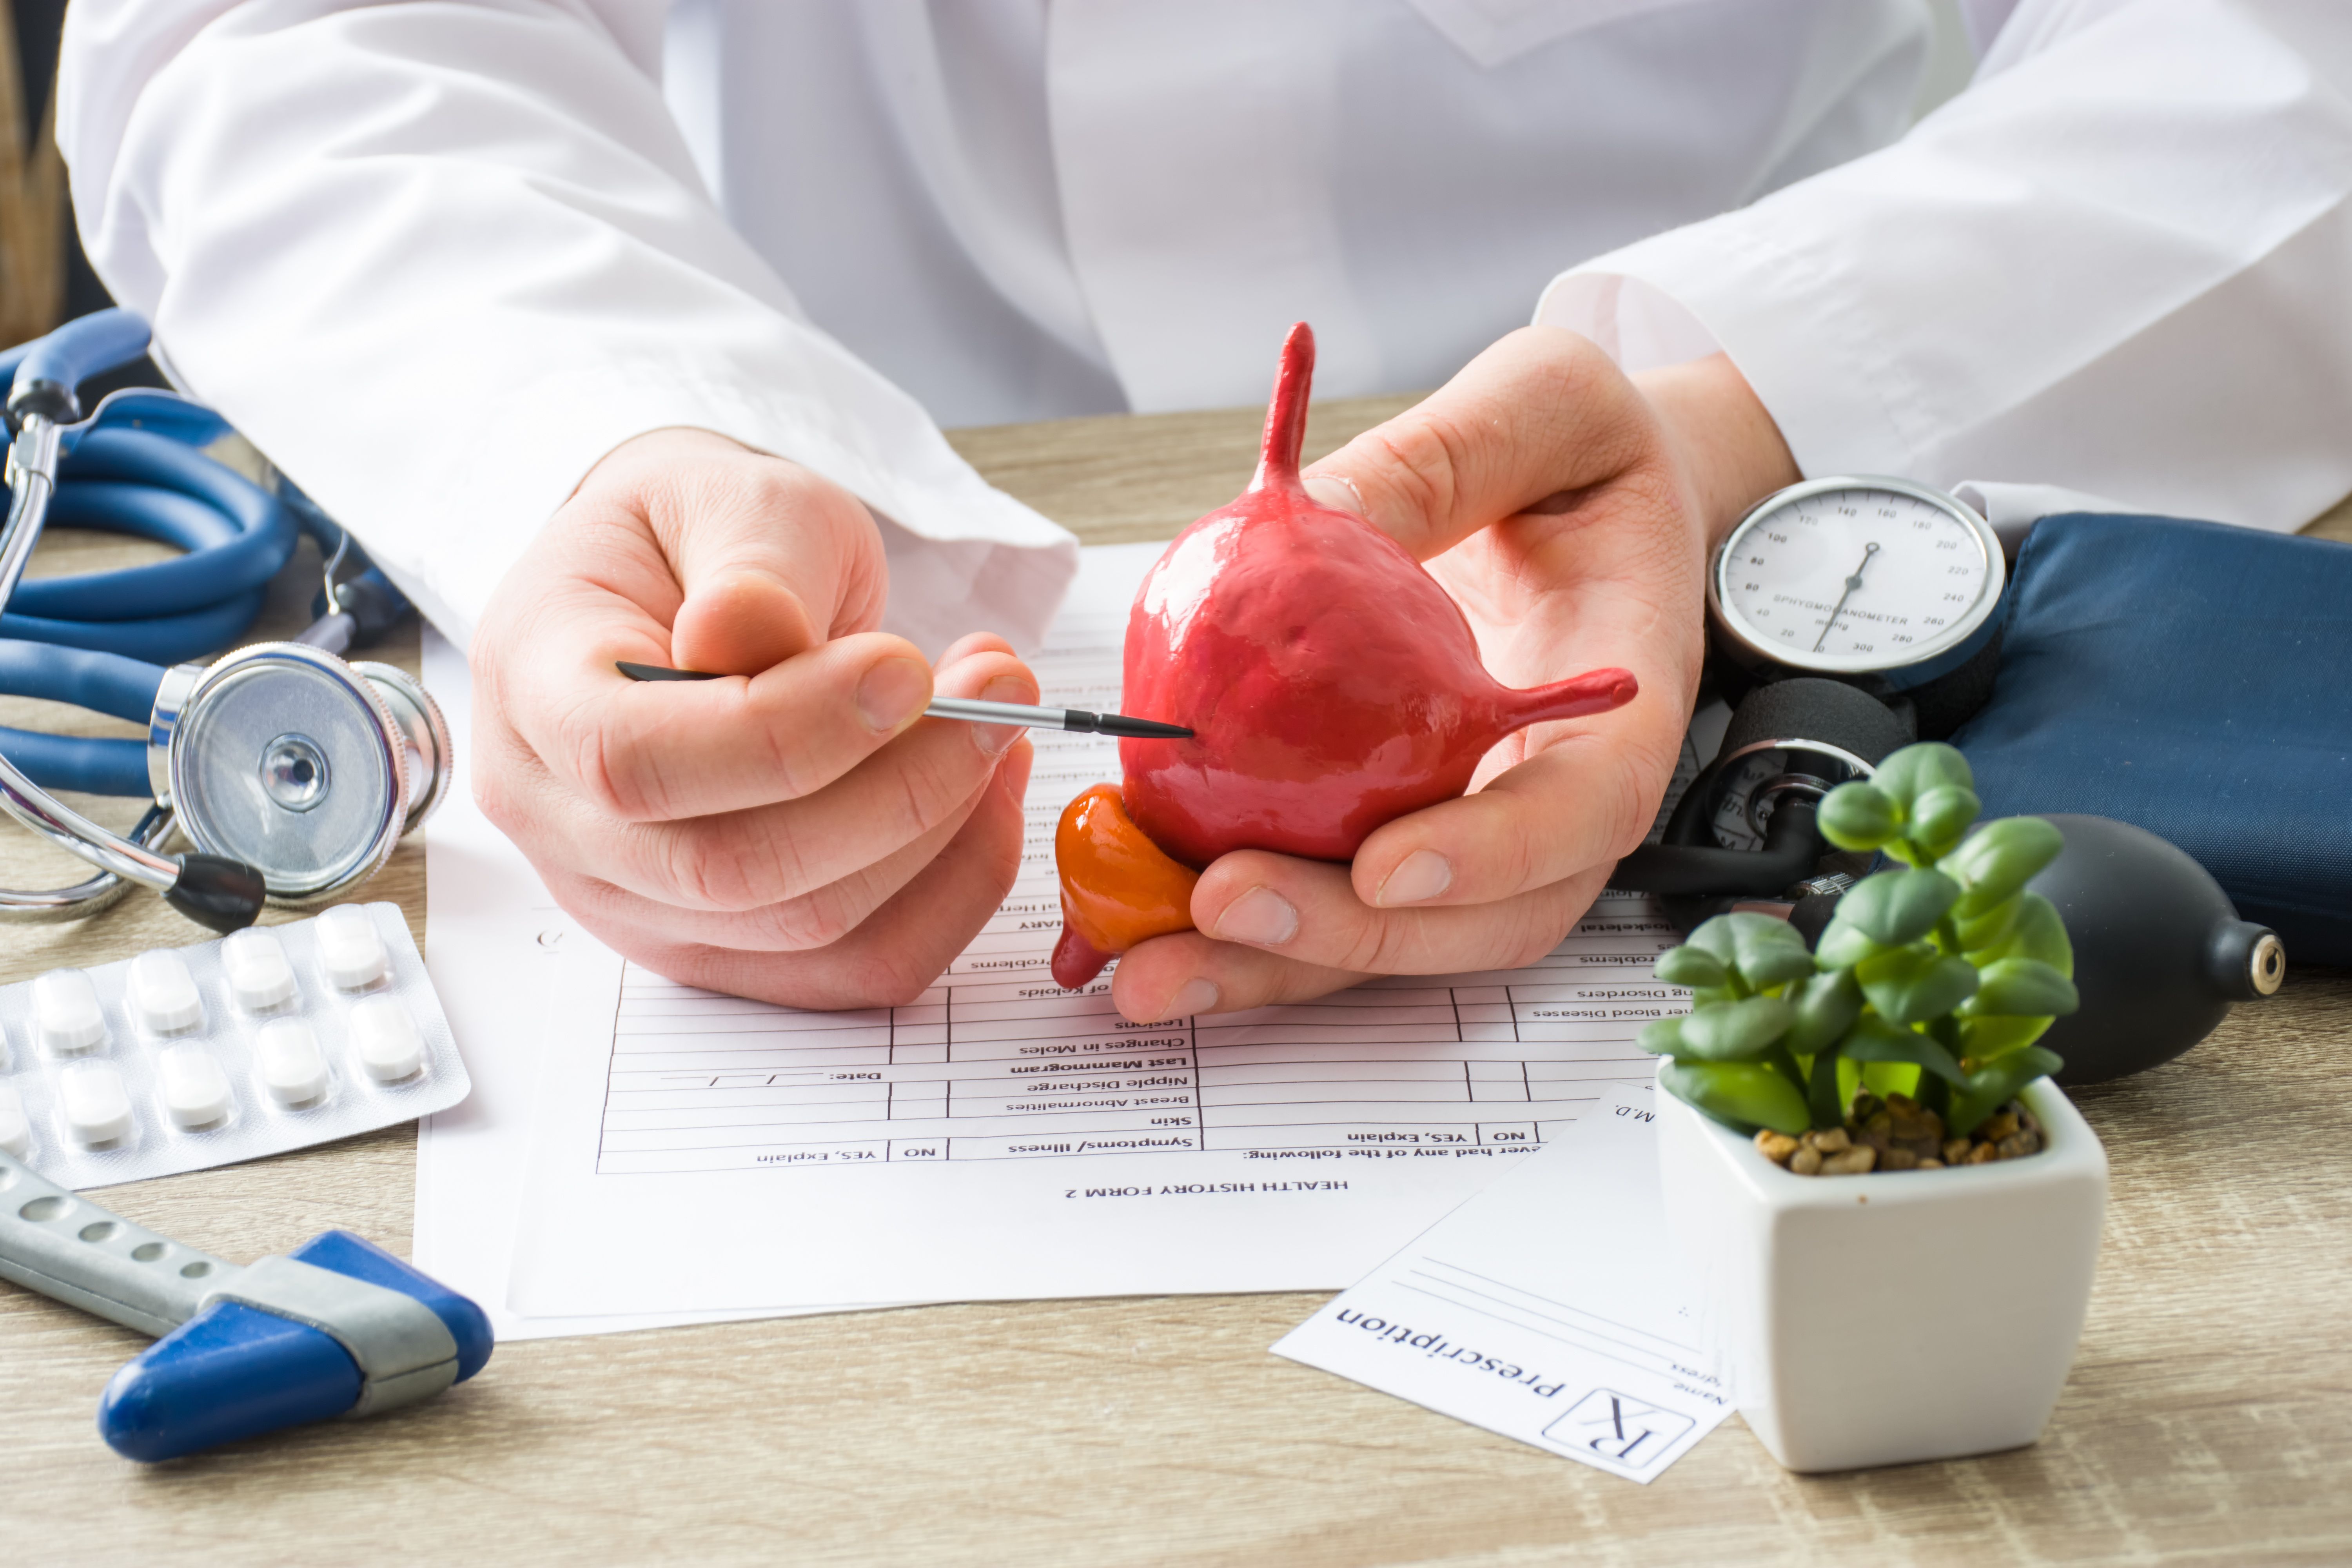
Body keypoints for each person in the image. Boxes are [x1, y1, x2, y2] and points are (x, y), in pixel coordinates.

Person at [55, 1, 2352, 1023]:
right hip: (803, 443)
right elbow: (279, 29)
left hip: (1789, 535)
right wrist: (585, 432)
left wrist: (1738, 415)